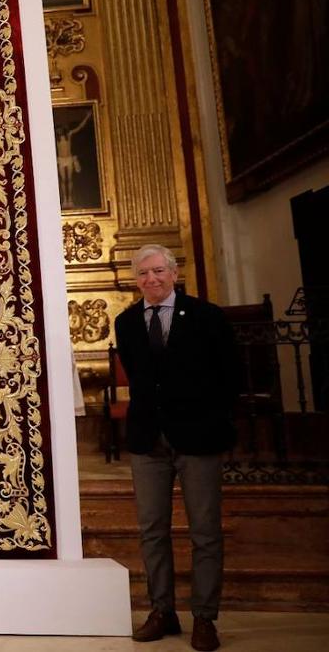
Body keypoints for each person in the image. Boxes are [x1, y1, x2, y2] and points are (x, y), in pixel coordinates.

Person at [114, 245, 239, 652]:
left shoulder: (207, 316)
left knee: (204, 530)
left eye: (158, 271)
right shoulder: (127, 321)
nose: (151, 279)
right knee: (152, 529)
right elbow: (139, 377)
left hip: (198, 437)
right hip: (148, 439)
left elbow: (228, 375)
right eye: (143, 274)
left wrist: (214, 419)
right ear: (136, 280)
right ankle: (162, 610)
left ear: (174, 272)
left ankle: (204, 617)